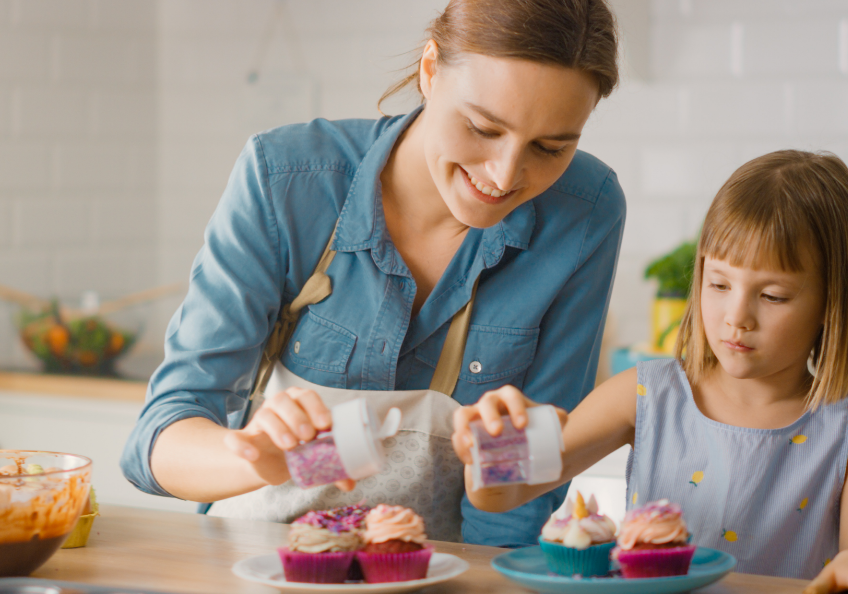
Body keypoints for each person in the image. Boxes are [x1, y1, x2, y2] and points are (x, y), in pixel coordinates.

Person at [120, 0, 626, 547]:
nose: (504, 175)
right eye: (482, 128)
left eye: (551, 147)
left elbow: (525, 487)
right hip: (260, 570)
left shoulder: (585, 212)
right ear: (430, 71)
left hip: (447, 585)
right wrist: (256, 459)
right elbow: (158, 441)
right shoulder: (286, 179)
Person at [452, 150, 848, 594]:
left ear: (831, 301)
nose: (736, 316)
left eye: (774, 296)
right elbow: (501, 492)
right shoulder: (649, 395)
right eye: (718, 284)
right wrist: (492, 442)